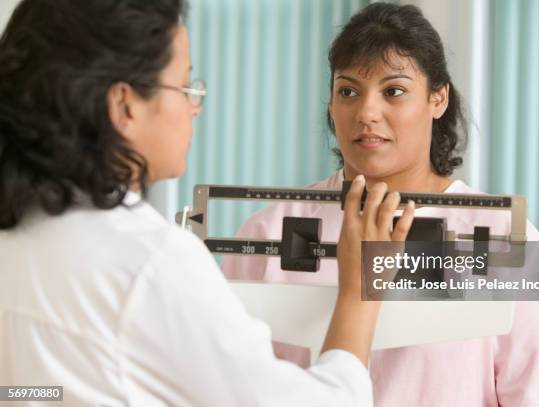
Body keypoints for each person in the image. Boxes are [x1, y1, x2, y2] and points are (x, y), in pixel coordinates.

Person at [0, 0, 417, 405]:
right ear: (124, 105)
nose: (194, 106)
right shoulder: (150, 264)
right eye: (185, 85)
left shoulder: (17, 238)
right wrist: (361, 290)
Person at [222, 3, 539, 406]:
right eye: (348, 91)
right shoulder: (267, 233)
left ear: (438, 98)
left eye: (394, 91)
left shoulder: (508, 242)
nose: (367, 112)